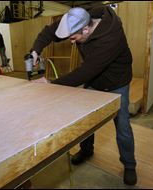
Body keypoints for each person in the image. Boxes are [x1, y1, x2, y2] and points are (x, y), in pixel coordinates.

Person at [28, 6, 137, 185]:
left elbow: (85, 72)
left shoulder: (111, 38)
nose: (72, 42)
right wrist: (35, 50)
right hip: (95, 79)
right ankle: (86, 151)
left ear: (86, 29)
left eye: (74, 38)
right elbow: (49, 31)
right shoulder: (77, 18)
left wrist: (50, 84)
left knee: (123, 125)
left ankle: (130, 165)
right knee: (86, 120)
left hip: (117, 83)